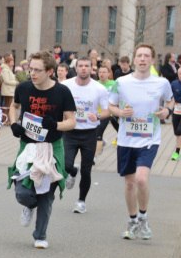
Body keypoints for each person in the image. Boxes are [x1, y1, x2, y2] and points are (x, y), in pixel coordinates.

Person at [7, 51, 76, 249]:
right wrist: (13, 123)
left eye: (38, 70)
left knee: (46, 193)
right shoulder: (24, 87)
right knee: (22, 193)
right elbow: (14, 106)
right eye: (31, 69)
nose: (32, 74)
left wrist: (55, 125)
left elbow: (71, 122)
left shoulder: (62, 92)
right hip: (28, 145)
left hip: (52, 147)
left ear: (50, 72)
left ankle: (40, 235)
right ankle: (29, 205)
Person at [108, 44, 173, 240]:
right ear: (134, 59)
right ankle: (133, 220)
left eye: (147, 56)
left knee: (142, 178)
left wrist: (166, 111)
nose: (143, 59)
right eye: (139, 55)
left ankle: (143, 217)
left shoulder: (161, 83)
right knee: (129, 184)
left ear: (152, 60)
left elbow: (170, 101)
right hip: (126, 139)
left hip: (149, 139)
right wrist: (120, 112)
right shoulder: (121, 82)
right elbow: (111, 105)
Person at [61, 57, 110, 214]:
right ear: (76, 68)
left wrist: (98, 116)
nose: (83, 68)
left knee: (86, 169)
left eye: (86, 66)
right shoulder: (65, 85)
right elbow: (57, 104)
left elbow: (107, 110)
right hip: (69, 131)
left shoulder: (99, 89)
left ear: (91, 69)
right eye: (80, 66)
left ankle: (81, 201)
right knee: (65, 164)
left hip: (89, 133)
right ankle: (71, 171)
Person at [171, 75, 181, 161]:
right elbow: (170, 97)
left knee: (179, 132)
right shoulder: (174, 84)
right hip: (176, 111)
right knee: (176, 132)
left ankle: (177, 152)